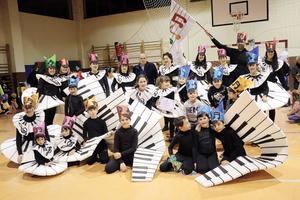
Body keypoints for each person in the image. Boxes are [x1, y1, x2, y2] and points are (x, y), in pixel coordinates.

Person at [105, 106, 138, 174]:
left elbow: (133, 148)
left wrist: (121, 154)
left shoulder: (134, 131)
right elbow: (116, 147)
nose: (125, 121)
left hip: (130, 155)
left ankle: (129, 164)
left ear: (130, 120)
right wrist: (121, 162)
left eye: (126, 119)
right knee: (108, 168)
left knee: (140, 168)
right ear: (120, 121)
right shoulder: (118, 132)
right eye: (122, 120)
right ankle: (123, 164)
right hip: (119, 156)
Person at [263, 41, 288, 121]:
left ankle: (271, 124)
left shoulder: (277, 64)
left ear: (274, 53)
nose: (270, 53)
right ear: (266, 53)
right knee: (262, 106)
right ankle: (262, 124)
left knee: (271, 107)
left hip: (272, 87)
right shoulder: (261, 63)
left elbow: (281, 77)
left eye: (272, 51)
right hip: (262, 87)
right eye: (269, 51)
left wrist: (286, 88)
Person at [37, 54, 64, 125]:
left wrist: (60, 100)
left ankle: (50, 133)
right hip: (44, 101)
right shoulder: (43, 78)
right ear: (47, 69)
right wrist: (37, 101)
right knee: (45, 119)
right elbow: (39, 90)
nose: (52, 70)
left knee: (51, 118)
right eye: (50, 68)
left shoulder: (57, 79)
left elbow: (58, 91)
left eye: (53, 68)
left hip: (53, 101)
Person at [82, 97, 109, 165]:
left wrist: (107, 136)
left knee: (104, 161)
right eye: (90, 110)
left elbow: (105, 133)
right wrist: (85, 141)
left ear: (97, 110)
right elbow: (84, 134)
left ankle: (99, 155)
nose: (92, 111)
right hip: (92, 145)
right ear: (87, 112)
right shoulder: (86, 123)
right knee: (89, 162)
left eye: (94, 109)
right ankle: (95, 156)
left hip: (101, 144)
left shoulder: (102, 122)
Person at [193, 109, 219, 173]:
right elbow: (194, 146)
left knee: (214, 170)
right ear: (198, 121)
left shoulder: (212, 128)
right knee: (202, 170)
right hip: (201, 153)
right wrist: (195, 161)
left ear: (208, 119)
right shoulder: (196, 130)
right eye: (200, 119)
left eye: (204, 118)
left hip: (211, 153)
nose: (203, 121)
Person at [152, 76, 176, 141]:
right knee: (162, 120)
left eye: (168, 81)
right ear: (160, 83)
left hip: (169, 109)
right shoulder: (156, 91)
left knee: (172, 121)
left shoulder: (171, 90)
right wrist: (156, 104)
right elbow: (153, 100)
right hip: (159, 110)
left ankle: (172, 136)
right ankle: (158, 133)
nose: (168, 83)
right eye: (165, 82)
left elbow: (172, 100)